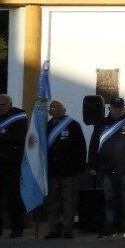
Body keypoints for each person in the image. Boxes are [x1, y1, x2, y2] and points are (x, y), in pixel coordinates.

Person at [88, 97, 125, 238]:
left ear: (124, 108)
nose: (117, 110)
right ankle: (110, 228)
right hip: (106, 169)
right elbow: (94, 145)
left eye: (120, 108)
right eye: (114, 108)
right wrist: (92, 165)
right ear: (109, 108)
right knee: (109, 200)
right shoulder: (101, 124)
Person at [0, 93, 27, 238]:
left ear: (10, 104)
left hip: (11, 163)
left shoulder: (19, 116)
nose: (0, 108)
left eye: (3, 105)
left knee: (12, 197)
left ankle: (17, 227)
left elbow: (16, 137)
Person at [43, 99, 86, 239]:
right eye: (51, 108)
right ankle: (53, 228)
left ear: (64, 110)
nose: (53, 109)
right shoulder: (46, 126)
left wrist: (80, 167)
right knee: (53, 201)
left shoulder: (73, 125)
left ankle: (68, 229)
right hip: (52, 170)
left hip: (69, 170)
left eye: (56, 107)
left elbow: (81, 148)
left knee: (69, 200)